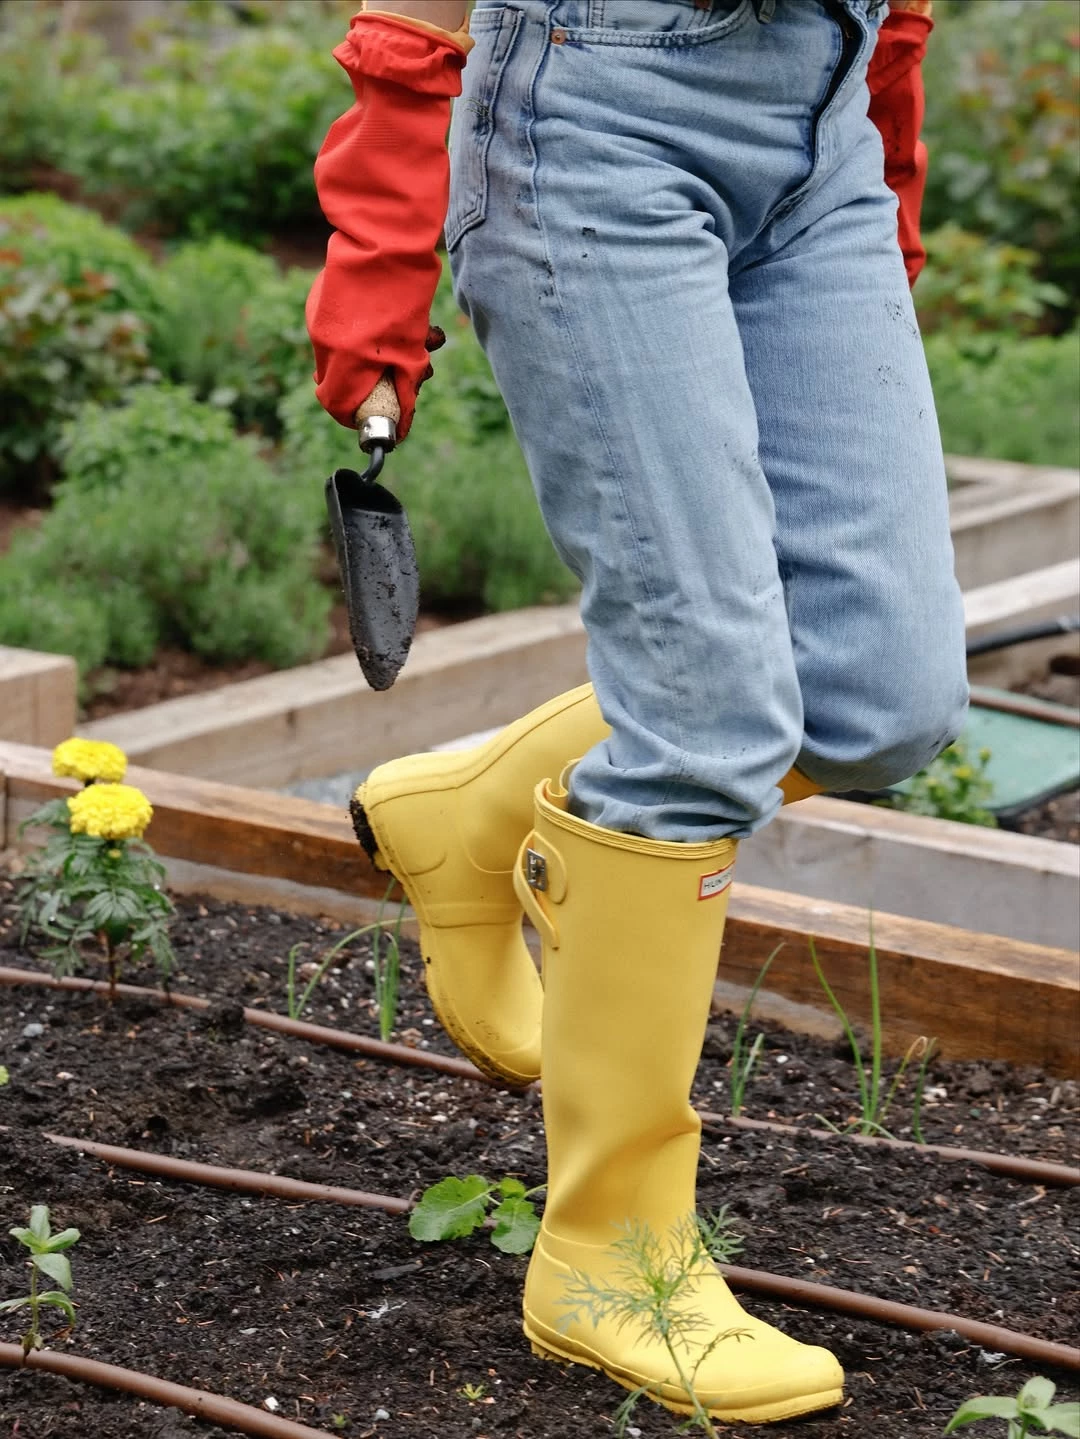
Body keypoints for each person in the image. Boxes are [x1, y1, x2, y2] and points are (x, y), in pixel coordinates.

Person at [306, 0, 965, 1424]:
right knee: (708, 722)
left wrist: (888, 107)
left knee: (883, 694)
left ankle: (470, 820)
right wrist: (385, 226)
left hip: (825, 122)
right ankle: (610, 1250)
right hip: (594, 105)